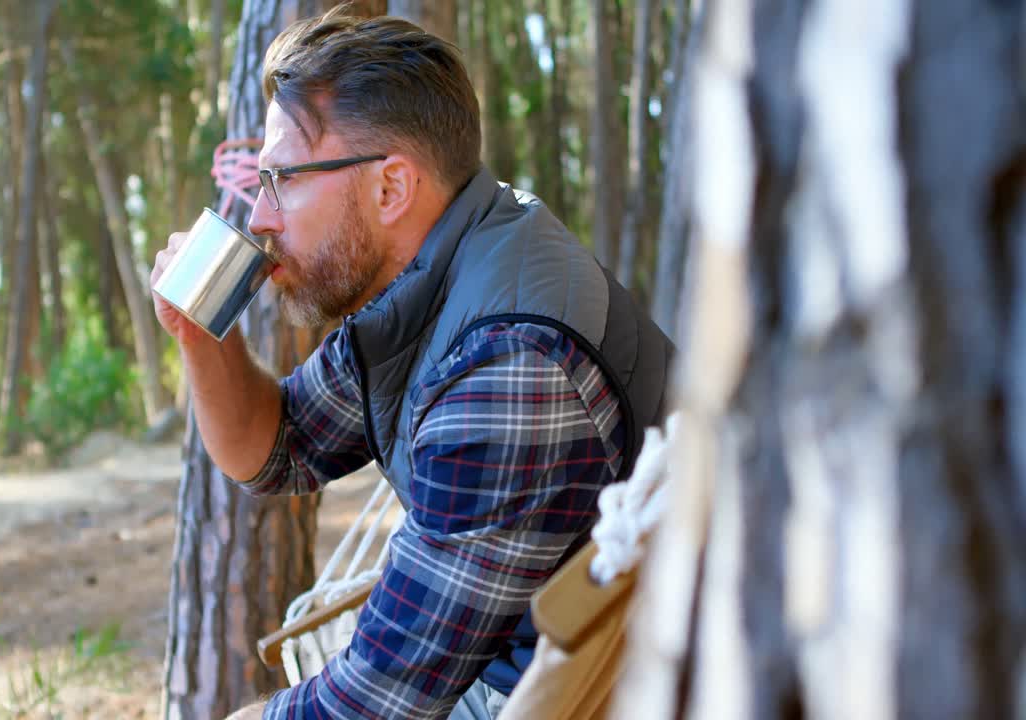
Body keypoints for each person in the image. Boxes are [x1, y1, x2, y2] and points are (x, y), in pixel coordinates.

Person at [152, 9, 673, 720]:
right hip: (530, 673)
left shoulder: (506, 366)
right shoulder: (428, 281)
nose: (261, 220)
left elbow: (374, 705)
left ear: (391, 188)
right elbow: (278, 449)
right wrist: (198, 333)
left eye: (281, 182)